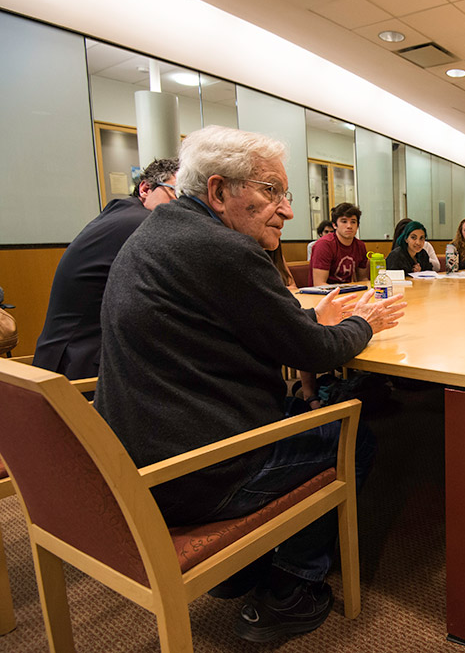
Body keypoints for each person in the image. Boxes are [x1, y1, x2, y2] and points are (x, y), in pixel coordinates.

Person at [95, 125, 406, 643]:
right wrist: (365, 323)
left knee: (301, 415)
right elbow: (315, 352)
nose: (286, 210)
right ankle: (290, 587)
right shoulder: (223, 249)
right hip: (195, 475)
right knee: (355, 437)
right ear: (217, 191)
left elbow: (264, 328)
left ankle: (243, 568)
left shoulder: (156, 235)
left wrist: (311, 323)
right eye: (271, 192)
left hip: (136, 463)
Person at [33, 158, 179, 379]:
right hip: (83, 367)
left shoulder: (123, 213)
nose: (183, 207)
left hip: (60, 356)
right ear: (145, 188)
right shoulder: (140, 223)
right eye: (177, 194)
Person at [310, 202, 368, 285]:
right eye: (344, 221)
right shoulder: (324, 245)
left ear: (358, 226)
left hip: (349, 292)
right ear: (334, 225)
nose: (349, 226)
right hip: (323, 295)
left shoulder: (360, 246)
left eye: (353, 222)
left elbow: (362, 279)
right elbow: (319, 284)